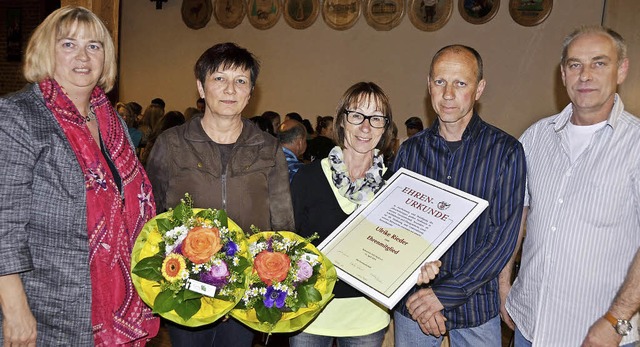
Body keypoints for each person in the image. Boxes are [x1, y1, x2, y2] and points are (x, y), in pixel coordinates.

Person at [0, 6, 159, 345]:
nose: (83, 56)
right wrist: (15, 311)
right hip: (46, 311)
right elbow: (4, 225)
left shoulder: (111, 123)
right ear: (46, 50)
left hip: (116, 308)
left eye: (94, 46)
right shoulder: (18, 117)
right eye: (69, 44)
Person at [146, 42, 295, 347]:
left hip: (245, 291)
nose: (230, 89)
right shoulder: (171, 144)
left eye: (240, 81)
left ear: (250, 92)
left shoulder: (268, 148)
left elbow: (282, 223)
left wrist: (275, 280)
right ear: (201, 87)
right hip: (185, 290)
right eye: (219, 79)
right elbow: (151, 217)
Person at [501, 26, 640, 347]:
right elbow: (516, 217)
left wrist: (615, 321)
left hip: (599, 334)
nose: (585, 75)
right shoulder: (536, 137)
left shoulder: (634, 144)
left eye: (599, 63)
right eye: (575, 64)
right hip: (529, 326)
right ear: (563, 73)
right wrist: (503, 284)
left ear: (622, 70)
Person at [392, 44, 526, 346]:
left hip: (475, 307)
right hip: (414, 307)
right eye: (440, 82)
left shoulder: (506, 152)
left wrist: (442, 296)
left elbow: (502, 239)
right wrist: (422, 299)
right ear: (429, 86)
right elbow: (395, 232)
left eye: (460, 83)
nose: (448, 93)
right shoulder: (410, 152)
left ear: (479, 89)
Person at [289, 82, 395, 346]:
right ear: (342, 121)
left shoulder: (395, 187)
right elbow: (289, 241)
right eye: (357, 115)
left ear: (385, 128)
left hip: (367, 316)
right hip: (309, 312)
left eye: (376, 118)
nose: (366, 126)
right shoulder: (308, 177)